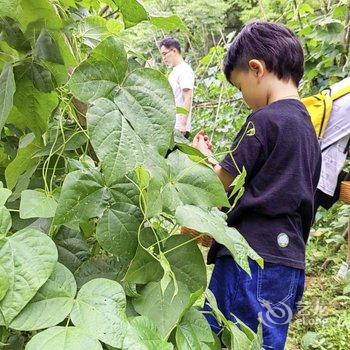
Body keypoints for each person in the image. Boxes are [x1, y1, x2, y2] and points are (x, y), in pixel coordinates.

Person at [192, 21, 322, 349]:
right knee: (264, 342)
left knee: (222, 339)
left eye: (240, 87)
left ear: (257, 69)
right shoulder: (309, 132)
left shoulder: (262, 121)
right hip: (289, 267)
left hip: (248, 260)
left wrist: (199, 158)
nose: (243, 97)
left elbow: (219, 183)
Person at [159, 37, 195, 137]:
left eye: (165, 54)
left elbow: (187, 97)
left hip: (179, 128)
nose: (163, 58)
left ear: (174, 51)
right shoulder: (174, 71)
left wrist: (182, 125)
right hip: (171, 126)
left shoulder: (184, 70)